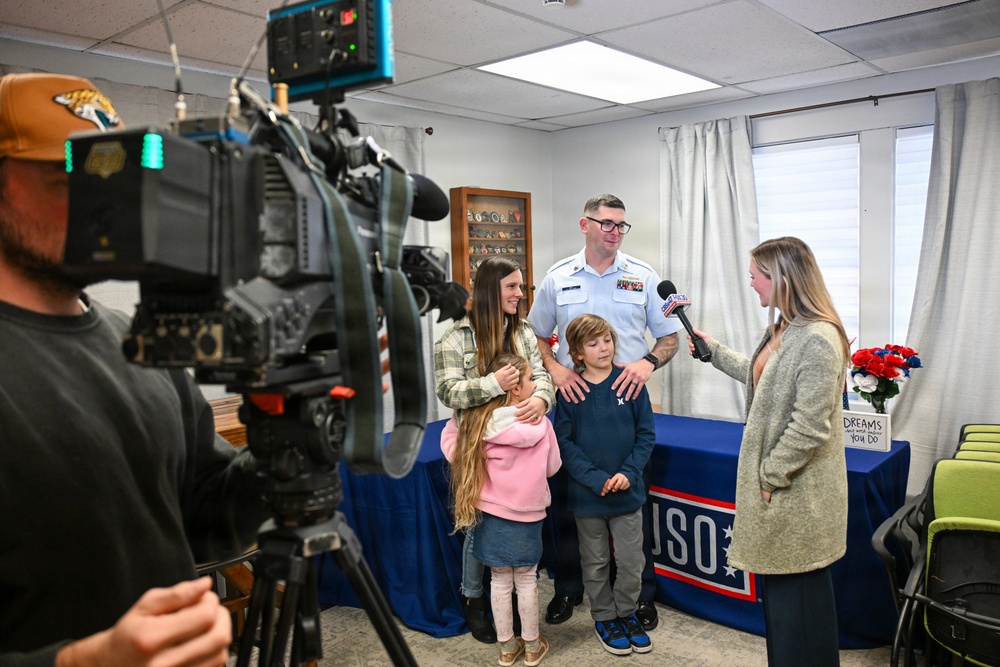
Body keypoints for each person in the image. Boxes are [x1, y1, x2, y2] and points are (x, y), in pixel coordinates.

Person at [0, 73, 267, 666]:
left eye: (113, 179)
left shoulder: (141, 342)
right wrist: (84, 662)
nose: (106, 205)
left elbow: (206, 521)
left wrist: (288, 441)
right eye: (67, 177)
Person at [689, 236, 849, 667]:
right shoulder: (785, 328)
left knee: (801, 614)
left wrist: (770, 476)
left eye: (755, 276)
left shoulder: (818, 337)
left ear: (781, 279)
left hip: (798, 495)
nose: (751, 283)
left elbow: (810, 424)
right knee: (784, 614)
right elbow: (763, 380)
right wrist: (714, 351)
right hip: (783, 494)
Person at [527, 193, 679, 629]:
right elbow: (534, 334)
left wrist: (647, 362)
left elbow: (670, 337)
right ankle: (569, 588)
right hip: (574, 402)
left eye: (621, 225)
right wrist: (555, 367)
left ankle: (640, 597)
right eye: (606, 223)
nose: (615, 232)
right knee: (573, 508)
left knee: (632, 507)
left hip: (625, 405)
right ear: (585, 224)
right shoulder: (558, 277)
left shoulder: (642, 276)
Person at [434, 255, 556, 643]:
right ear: (490, 290)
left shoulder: (523, 331)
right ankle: (474, 599)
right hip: (477, 444)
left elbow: (542, 375)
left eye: (521, 286)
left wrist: (541, 399)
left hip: (520, 437)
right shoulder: (454, 338)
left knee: (514, 520)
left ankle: (515, 600)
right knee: (479, 524)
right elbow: (447, 392)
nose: (520, 294)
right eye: (512, 287)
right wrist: (492, 384)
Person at [441, 353, 562, 666]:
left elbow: (455, 453)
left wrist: (452, 428)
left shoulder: (479, 424)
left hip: (492, 516)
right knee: (527, 580)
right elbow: (553, 467)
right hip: (530, 516)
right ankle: (532, 644)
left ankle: (507, 647)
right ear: (517, 389)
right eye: (531, 379)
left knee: (498, 581)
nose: (536, 384)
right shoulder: (542, 424)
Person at [554, 314, 655, 656]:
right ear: (577, 353)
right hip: (588, 497)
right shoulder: (570, 392)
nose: (603, 348)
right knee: (595, 562)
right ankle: (604, 618)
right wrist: (596, 479)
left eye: (607, 340)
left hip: (628, 493)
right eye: (593, 343)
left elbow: (646, 435)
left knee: (631, 561)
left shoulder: (631, 384)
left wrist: (629, 472)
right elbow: (565, 443)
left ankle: (626, 612)